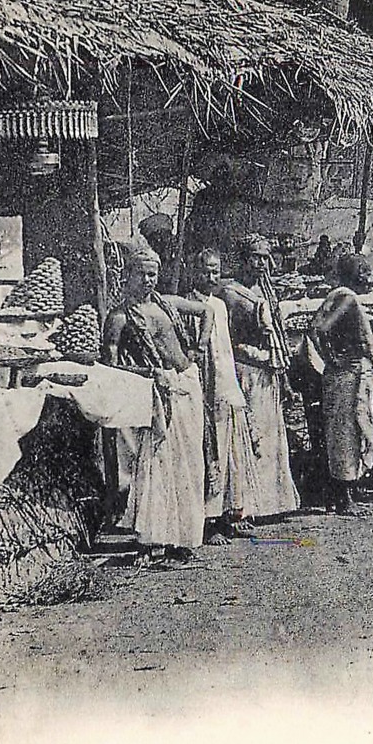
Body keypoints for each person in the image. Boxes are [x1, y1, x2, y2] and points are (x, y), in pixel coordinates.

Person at [102, 240, 214, 559]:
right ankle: (155, 538)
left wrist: (199, 347)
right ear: (128, 276)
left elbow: (206, 310)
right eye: (142, 274)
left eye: (153, 274)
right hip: (158, 391)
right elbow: (110, 364)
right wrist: (147, 372)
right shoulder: (119, 317)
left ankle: (184, 536)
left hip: (187, 384)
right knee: (158, 464)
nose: (148, 281)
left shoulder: (168, 304)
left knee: (189, 462)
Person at [216, 233, 300, 519]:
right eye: (255, 256)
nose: (261, 263)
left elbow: (276, 335)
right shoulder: (229, 293)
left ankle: (272, 503)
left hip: (268, 374)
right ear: (243, 258)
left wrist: (284, 380)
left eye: (265, 257)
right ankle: (246, 506)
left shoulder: (266, 291)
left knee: (270, 436)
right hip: (244, 372)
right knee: (248, 437)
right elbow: (224, 338)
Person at [185, 248, 263, 543]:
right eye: (205, 271)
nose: (211, 277)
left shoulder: (219, 305)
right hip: (205, 387)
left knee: (230, 452)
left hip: (226, 385)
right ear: (195, 272)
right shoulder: (187, 305)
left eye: (215, 271)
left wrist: (234, 388)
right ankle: (206, 522)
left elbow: (225, 351)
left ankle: (229, 514)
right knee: (208, 452)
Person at [311, 254, 373, 513]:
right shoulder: (347, 298)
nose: (366, 275)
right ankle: (345, 499)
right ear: (351, 273)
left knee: (338, 433)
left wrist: (329, 359)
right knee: (348, 434)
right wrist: (337, 359)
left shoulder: (335, 295)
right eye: (362, 270)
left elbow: (316, 330)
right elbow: (320, 330)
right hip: (348, 375)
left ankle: (338, 495)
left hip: (339, 375)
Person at [138, 213, 177, 292]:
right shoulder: (151, 261)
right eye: (151, 241)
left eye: (162, 237)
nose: (154, 244)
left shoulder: (179, 259)